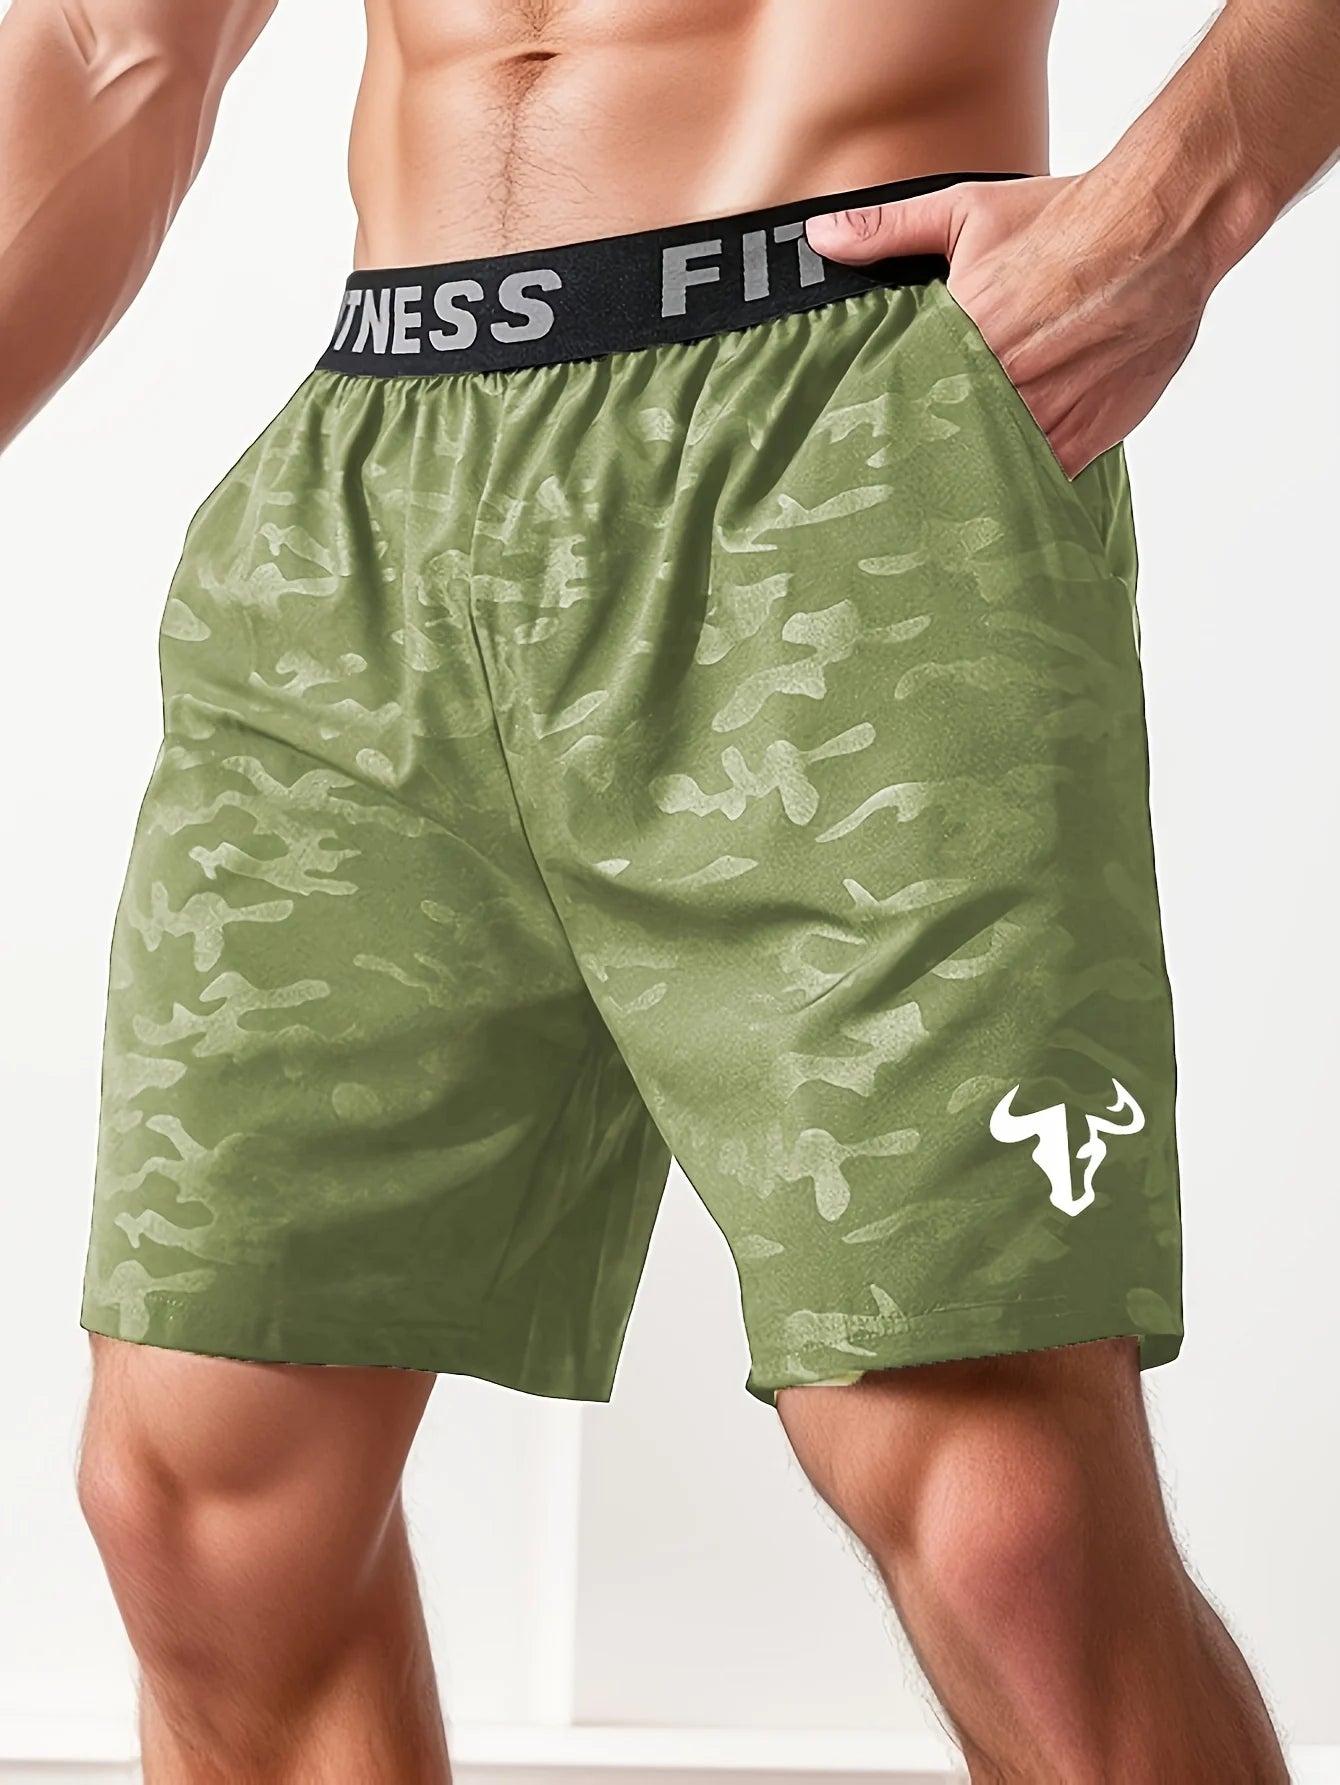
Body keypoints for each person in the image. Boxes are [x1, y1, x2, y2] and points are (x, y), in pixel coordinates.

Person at [2, 0, 1334, 1778]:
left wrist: (1184, 199)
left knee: (999, 1512)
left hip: (840, 447)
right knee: (204, 1487)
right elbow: (109, 42)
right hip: (368, 500)